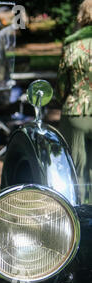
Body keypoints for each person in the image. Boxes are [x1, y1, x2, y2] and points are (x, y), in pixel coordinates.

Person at [56, 0, 92, 204]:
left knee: (76, 172)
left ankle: (78, 219)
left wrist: (63, 99)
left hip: (76, 110)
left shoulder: (71, 44)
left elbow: (62, 84)